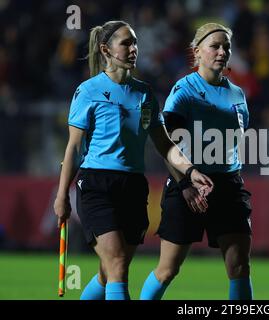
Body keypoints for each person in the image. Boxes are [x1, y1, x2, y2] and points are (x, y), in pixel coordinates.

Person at [53, 20, 213, 300]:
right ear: (106, 49)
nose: (133, 48)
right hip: (97, 185)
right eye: (126, 43)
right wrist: (61, 196)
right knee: (116, 266)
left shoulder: (145, 94)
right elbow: (74, 148)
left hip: (133, 187)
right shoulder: (88, 91)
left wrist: (189, 172)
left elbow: (164, 144)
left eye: (135, 42)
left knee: (110, 270)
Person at [139, 23, 253, 300]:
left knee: (239, 267)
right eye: (215, 46)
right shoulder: (184, 90)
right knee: (168, 269)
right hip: (188, 184)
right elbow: (167, 145)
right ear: (197, 51)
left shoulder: (237, 94)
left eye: (226, 46)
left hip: (228, 185)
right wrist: (185, 184)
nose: (222, 51)